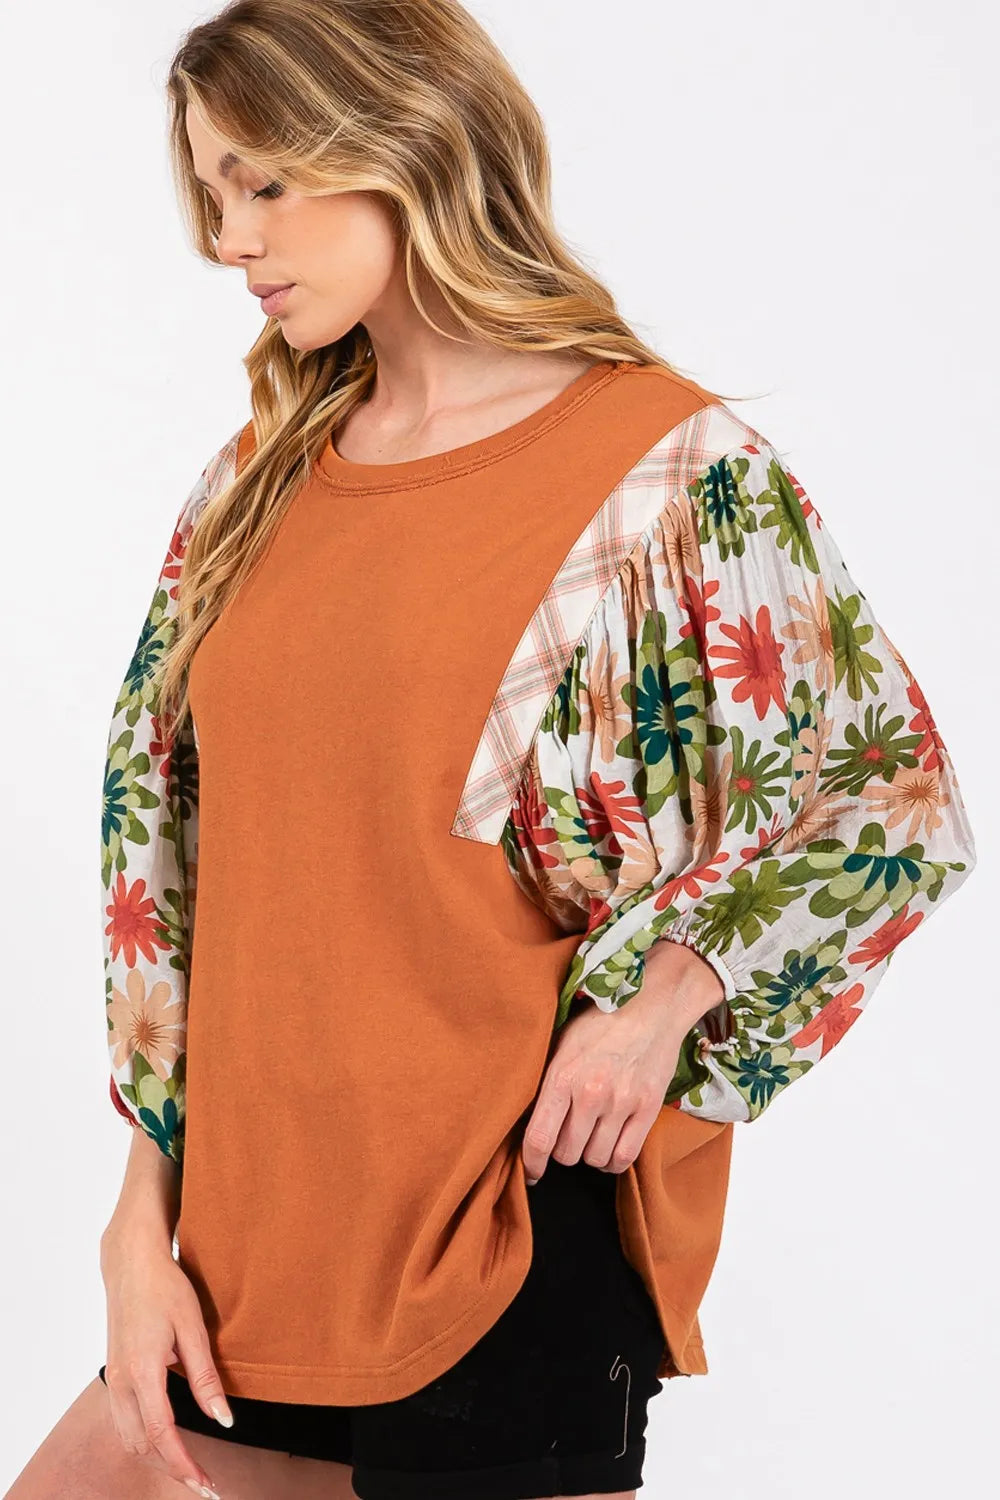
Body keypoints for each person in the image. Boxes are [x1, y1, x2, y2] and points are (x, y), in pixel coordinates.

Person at [7, 2, 978, 1499]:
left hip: (509, 1233)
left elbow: (888, 798)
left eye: (266, 183)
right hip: (251, 1251)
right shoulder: (252, 487)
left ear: (405, 144)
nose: (228, 240)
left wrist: (662, 1005)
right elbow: (179, 878)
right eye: (210, 192)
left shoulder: (663, 473)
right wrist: (139, 1223)